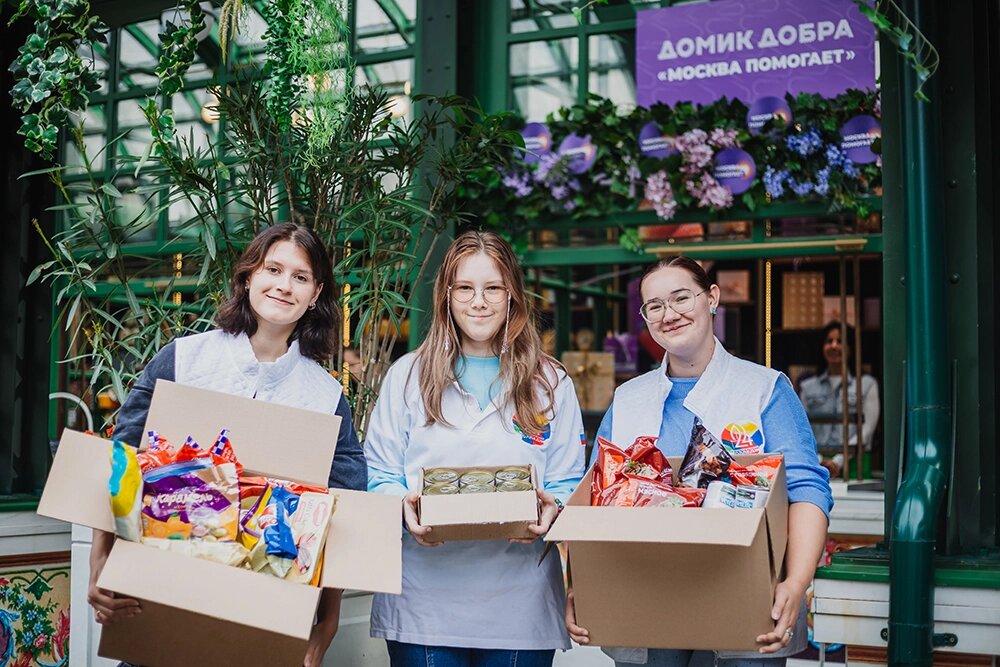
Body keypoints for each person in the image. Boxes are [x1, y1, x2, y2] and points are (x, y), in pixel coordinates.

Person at [86, 223, 368, 667]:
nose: (283, 285)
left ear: (316, 294)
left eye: (301, 276)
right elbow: (119, 462)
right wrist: (98, 566)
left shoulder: (325, 396)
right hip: (163, 596)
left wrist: (327, 623)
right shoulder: (185, 359)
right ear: (248, 277)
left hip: (264, 614)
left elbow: (345, 514)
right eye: (272, 268)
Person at [565, 256, 832, 666]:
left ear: (712, 298)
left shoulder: (764, 389)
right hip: (644, 604)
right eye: (655, 306)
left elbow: (807, 491)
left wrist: (796, 583)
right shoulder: (629, 398)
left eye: (681, 298)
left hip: (745, 605)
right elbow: (592, 502)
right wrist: (578, 585)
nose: (669, 314)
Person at [365, 230, 586, 667]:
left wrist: (552, 506)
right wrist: (402, 508)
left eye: (492, 288)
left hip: (520, 605)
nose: (479, 302)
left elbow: (569, 479)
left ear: (512, 296)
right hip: (424, 605)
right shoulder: (406, 377)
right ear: (446, 295)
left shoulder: (551, 383)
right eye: (465, 288)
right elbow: (379, 471)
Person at [798, 321, 881, 479]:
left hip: (856, 466)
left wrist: (839, 461)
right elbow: (802, 429)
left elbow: (867, 430)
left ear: (851, 348)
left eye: (840, 341)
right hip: (816, 465)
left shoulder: (867, 384)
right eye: (829, 341)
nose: (834, 346)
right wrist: (820, 460)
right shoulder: (807, 387)